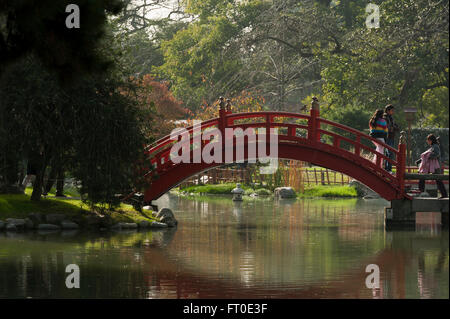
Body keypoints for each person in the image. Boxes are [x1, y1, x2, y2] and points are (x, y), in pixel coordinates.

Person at [415, 134, 448, 198]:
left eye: (428, 140)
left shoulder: (435, 146)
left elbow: (436, 154)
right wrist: (419, 161)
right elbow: (426, 156)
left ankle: (421, 190)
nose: (427, 142)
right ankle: (444, 195)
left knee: (437, 180)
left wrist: (429, 156)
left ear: (431, 140)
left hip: (435, 166)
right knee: (423, 176)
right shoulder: (433, 146)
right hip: (431, 165)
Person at [383, 104, 399, 173]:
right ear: (388, 111)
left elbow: (395, 127)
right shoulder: (385, 118)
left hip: (391, 136)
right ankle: (388, 169)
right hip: (387, 137)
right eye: (392, 110)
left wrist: (394, 128)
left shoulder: (391, 118)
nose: (393, 112)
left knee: (389, 153)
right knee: (390, 153)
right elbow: (389, 128)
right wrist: (393, 128)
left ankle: (387, 168)